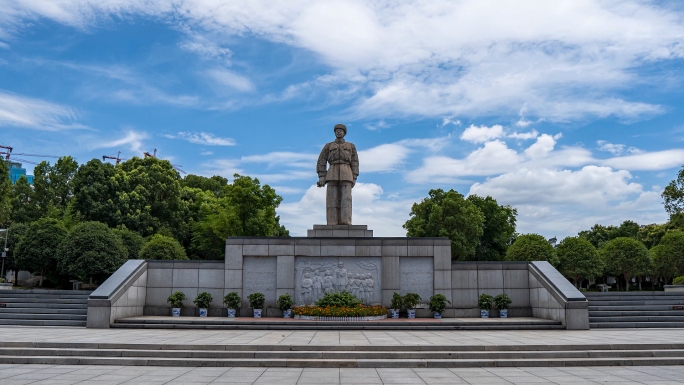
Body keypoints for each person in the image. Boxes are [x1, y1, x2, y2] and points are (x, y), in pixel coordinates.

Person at [316, 124, 359, 225]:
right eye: (337, 130)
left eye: (341, 130)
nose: (339, 132)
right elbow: (321, 160)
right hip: (332, 172)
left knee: (346, 199)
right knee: (332, 199)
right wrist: (322, 175)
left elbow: (355, 162)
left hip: (346, 172)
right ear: (334, 132)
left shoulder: (351, 146)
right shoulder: (328, 146)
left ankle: (346, 221)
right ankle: (332, 221)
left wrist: (354, 176)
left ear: (344, 133)